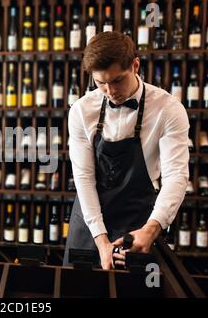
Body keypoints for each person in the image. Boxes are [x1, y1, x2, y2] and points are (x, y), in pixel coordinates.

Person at [64, 31, 189, 269]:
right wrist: (101, 240)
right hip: (89, 222)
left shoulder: (168, 110)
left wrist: (151, 230)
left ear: (135, 65)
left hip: (138, 223)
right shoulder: (81, 110)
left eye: (117, 80)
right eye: (101, 83)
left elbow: (176, 176)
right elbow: (83, 177)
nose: (110, 91)